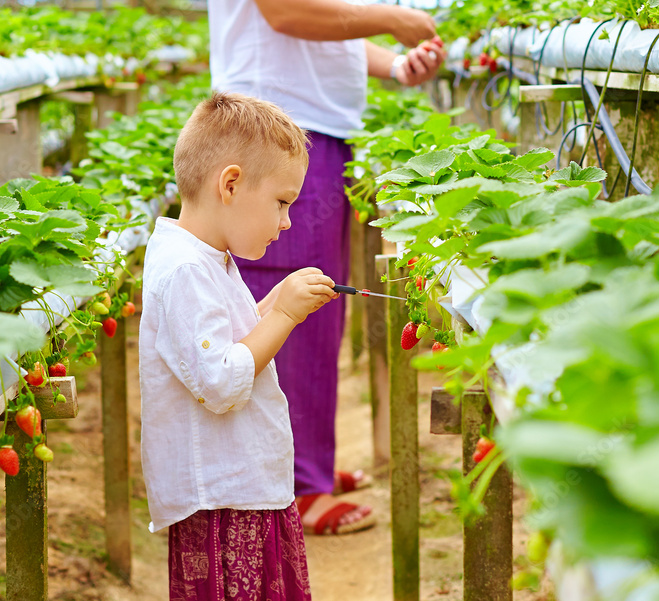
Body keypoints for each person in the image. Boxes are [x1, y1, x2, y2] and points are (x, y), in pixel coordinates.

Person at [207, 0, 446, 534]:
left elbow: (320, 32)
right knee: (289, 301)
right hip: (273, 133)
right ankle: (292, 486)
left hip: (299, 126)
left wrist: (392, 63)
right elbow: (287, 13)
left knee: (315, 308)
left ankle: (301, 463)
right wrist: (393, 18)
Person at [139, 91, 342, 600]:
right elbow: (220, 380)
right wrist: (287, 315)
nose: (287, 222)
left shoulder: (205, 257)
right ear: (230, 184)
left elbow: (220, 342)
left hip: (241, 489)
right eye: (281, 202)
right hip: (224, 504)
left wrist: (270, 305)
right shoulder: (186, 270)